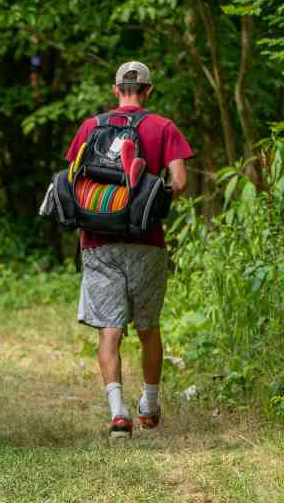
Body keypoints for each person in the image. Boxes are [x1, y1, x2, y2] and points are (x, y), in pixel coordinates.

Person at [65, 61, 192, 438]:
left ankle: (118, 412)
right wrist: (152, 198)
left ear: (115, 89)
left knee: (110, 330)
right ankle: (150, 403)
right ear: (149, 91)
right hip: (147, 242)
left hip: (98, 242)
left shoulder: (92, 126)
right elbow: (180, 182)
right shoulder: (163, 127)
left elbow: (73, 181)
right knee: (149, 327)